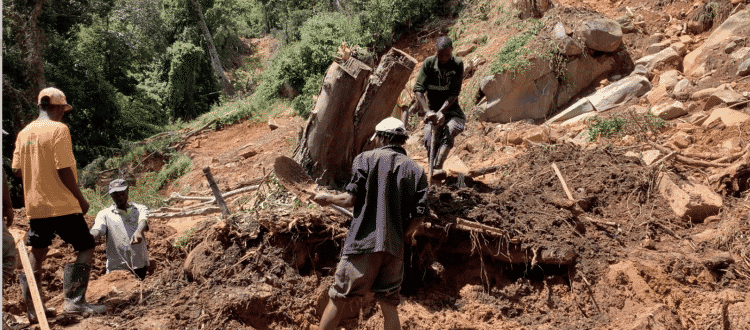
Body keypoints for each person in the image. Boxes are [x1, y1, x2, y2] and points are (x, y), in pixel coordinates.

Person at [312, 117, 430, 330]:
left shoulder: (365, 159)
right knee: (389, 306)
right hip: (394, 250)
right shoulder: (417, 170)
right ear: (401, 140)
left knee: (338, 297)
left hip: (363, 244)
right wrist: (403, 235)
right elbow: (419, 216)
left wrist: (327, 198)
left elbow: (350, 199)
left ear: (382, 137)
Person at [11, 87, 105, 323]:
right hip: (62, 204)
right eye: (63, 108)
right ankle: (75, 302)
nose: (63, 113)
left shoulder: (24, 133)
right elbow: (63, 168)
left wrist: (36, 176)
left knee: (38, 252)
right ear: (55, 107)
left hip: (36, 205)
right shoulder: (59, 130)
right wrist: (80, 199)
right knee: (85, 244)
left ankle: (34, 309)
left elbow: (16, 170)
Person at [413, 36, 466, 179]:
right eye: (440, 54)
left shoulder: (457, 64)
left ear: (452, 51)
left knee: (449, 131)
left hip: (452, 111)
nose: (444, 58)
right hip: (431, 111)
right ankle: (431, 174)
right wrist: (428, 111)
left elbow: (455, 92)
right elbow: (418, 89)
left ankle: (437, 168)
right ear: (436, 51)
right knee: (429, 138)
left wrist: (442, 111)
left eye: (447, 55)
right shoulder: (428, 64)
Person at [90, 179, 150, 280]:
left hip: (139, 264)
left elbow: (143, 221)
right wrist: (90, 236)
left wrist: (138, 231)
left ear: (127, 191)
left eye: (122, 193)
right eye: (115, 194)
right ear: (111, 196)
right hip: (117, 269)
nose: (119, 197)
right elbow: (97, 229)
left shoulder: (139, 209)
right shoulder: (104, 214)